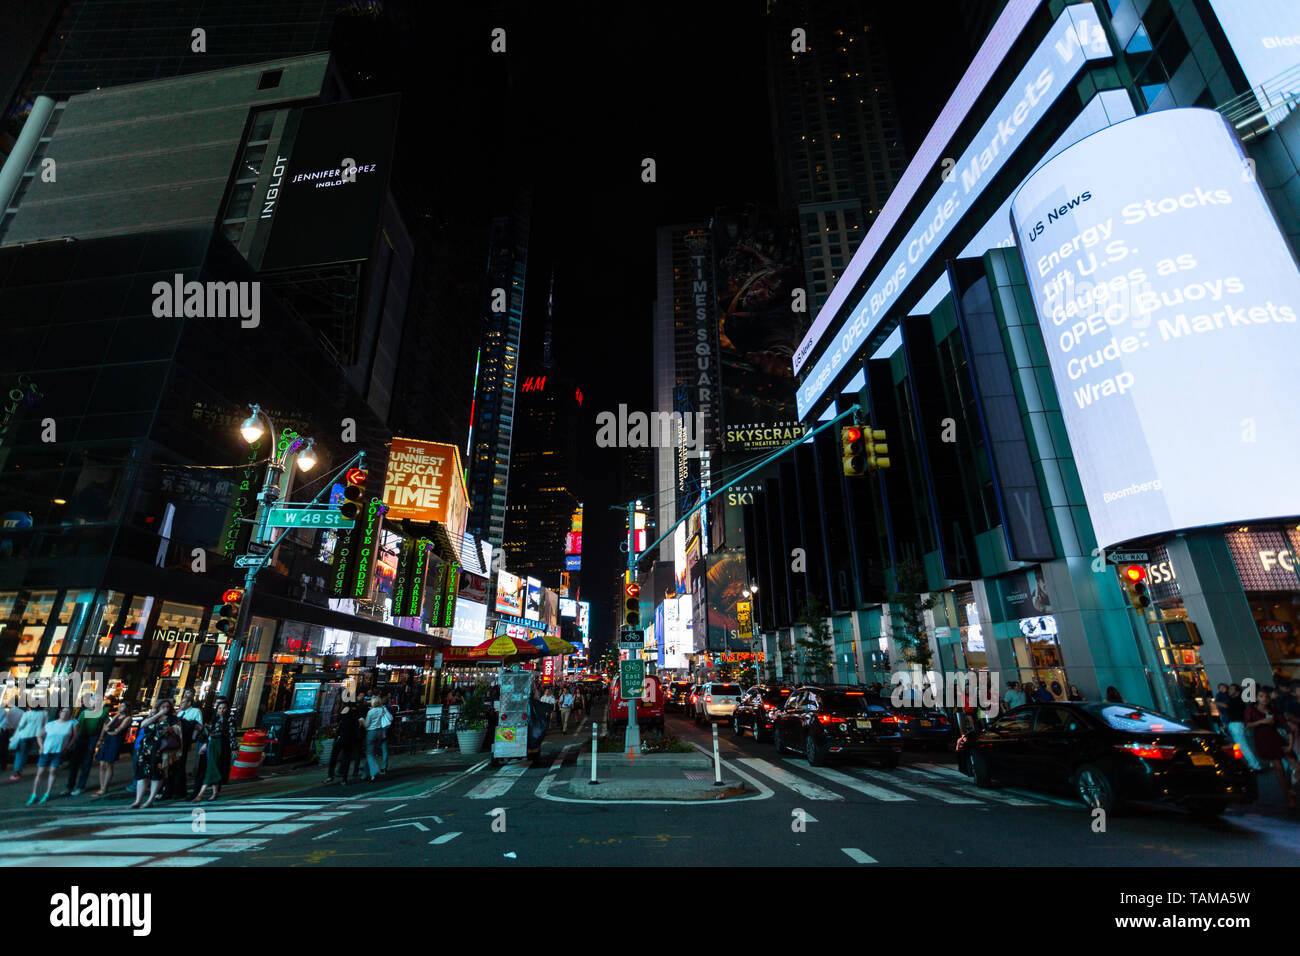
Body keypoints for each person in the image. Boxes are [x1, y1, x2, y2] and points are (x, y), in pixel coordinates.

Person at [1245, 689, 1299, 809]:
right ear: (1257, 698)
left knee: (1296, 766)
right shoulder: (1251, 710)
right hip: (1264, 742)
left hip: (1277, 740)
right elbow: (1248, 724)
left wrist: (1290, 745)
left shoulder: (1274, 711)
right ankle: (1289, 795)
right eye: (1261, 696)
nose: (1264, 699)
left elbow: (1287, 727)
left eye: (1266, 697)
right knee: (1279, 769)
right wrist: (1262, 721)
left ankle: (1294, 791)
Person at [130, 700, 181, 809]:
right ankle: (138, 800)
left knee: (157, 775)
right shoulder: (153, 717)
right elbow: (143, 725)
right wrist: (158, 714)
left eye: (167, 707)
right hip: (146, 749)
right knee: (142, 775)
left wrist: (171, 729)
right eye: (163, 706)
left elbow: (178, 732)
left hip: (161, 750)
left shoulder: (173, 719)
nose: (165, 709)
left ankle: (150, 800)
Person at [28, 706, 77, 805]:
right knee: (40, 772)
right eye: (63, 711)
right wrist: (41, 747)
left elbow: (74, 737)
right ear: (59, 713)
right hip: (46, 750)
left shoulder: (71, 724)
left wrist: (67, 747)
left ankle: (47, 793)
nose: (65, 713)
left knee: (53, 771)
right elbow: (40, 736)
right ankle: (34, 794)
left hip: (58, 751)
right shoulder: (50, 724)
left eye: (67, 712)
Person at [192, 698, 236, 803]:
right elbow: (210, 734)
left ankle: (201, 794)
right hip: (212, 744)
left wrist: (234, 748)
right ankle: (215, 792)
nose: (222, 710)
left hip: (221, 744)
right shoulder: (214, 719)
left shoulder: (230, 720)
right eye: (220, 708)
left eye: (224, 708)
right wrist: (206, 745)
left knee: (213, 767)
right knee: (212, 767)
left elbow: (232, 735)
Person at [62, 692, 105, 797]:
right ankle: (70, 786)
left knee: (86, 763)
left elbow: (103, 726)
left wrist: (100, 739)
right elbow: (78, 725)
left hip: (91, 738)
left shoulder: (101, 712)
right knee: (75, 764)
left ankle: (80, 786)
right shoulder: (83, 711)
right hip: (81, 738)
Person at [92, 702, 133, 798]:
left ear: (127, 708)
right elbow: (106, 727)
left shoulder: (128, 718)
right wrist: (102, 737)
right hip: (108, 740)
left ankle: (104, 788)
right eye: (120, 705)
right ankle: (101, 787)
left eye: (123, 706)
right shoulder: (116, 716)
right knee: (102, 764)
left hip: (116, 741)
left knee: (109, 763)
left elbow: (118, 730)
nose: (120, 707)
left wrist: (110, 730)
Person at [172, 689, 204, 799]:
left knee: (181, 764)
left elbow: (199, 726)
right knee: (175, 765)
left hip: (185, 740)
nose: (181, 704)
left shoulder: (196, 711)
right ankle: (174, 789)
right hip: (176, 741)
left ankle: (180, 790)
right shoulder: (180, 712)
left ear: (189, 703)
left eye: (183, 702)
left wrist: (193, 738)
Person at [328, 700, 364, 785]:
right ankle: (344, 779)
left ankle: (330, 775)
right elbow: (360, 723)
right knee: (346, 757)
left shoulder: (343, 711)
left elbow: (338, 720)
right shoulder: (356, 713)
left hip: (340, 736)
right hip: (349, 737)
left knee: (334, 756)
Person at [8, 704, 46, 780]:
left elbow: (21, 725)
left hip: (24, 735)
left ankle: (17, 771)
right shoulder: (44, 714)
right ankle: (21, 769)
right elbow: (44, 725)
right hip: (35, 736)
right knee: (26, 752)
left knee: (20, 753)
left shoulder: (27, 714)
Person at [363, 696, 392, 782]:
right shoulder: (382, 710)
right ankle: (364, 774)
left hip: (371, 732)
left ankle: (374, 773)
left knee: (369, 754)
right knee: (371, 753)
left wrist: (362, 721)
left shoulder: (370, 712)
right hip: (380, 732)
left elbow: (367, 724)